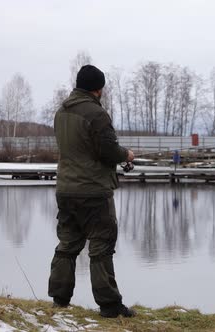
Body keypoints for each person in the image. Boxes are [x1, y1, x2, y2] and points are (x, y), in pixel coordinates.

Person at [48, 65, 136, 318]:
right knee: (101, 246)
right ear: (97, 89)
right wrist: (126, 155)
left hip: (65, 190)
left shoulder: (61, 112)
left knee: (67, 244)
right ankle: (109, 306)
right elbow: (107, 149)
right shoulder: (96, 114)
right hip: (94, 191)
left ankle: (59, 300)